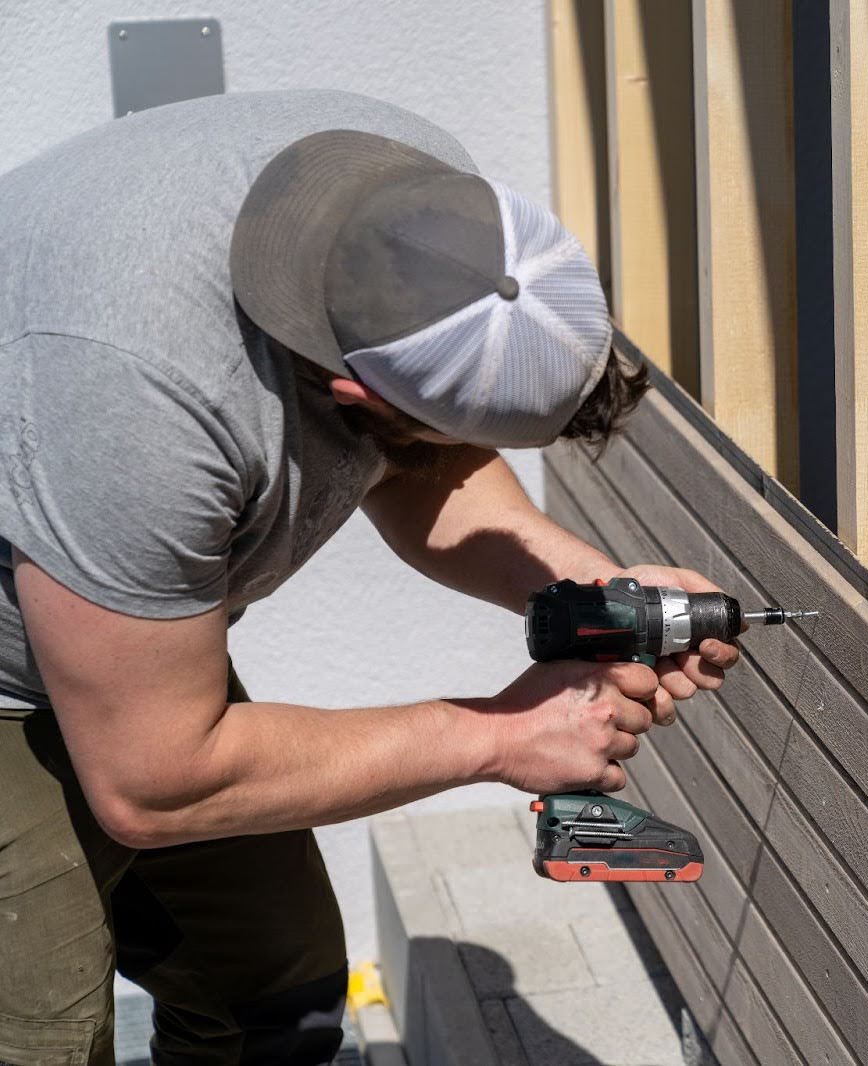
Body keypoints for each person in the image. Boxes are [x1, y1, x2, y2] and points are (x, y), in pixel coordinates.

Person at [0, 89, 735, 1065]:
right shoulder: (132, 396)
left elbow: (422, 459)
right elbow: (153, 782)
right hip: (25, 688)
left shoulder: (422, 202)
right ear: (355, 390)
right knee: (43, 1037)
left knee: (276, 994)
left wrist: (590, 592)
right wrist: (506, 735)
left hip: (120, 650)